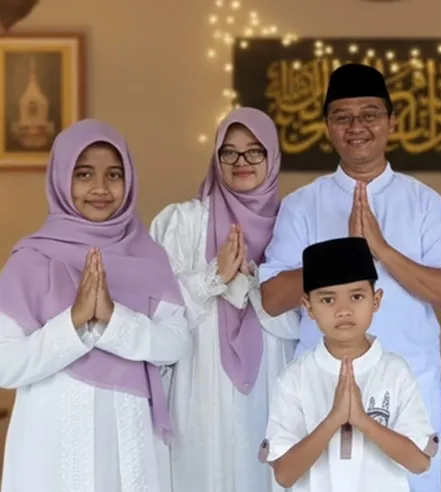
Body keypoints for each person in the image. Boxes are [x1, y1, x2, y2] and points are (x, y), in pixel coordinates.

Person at [258, 63, 441, 491]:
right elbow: (273, 298)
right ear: (327, 126)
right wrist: (344, 254)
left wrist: (381, 250)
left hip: (407, 389)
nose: (357, 127)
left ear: (391, 122)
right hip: (320, 388)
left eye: (369, 114)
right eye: (343, 116)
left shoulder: (423, 203)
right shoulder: (302, 204)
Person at [0, 120, 190, 492]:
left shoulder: (149, 258)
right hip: (51, 444)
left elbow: (175, 344)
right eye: (84, 174)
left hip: (130, 438)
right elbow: (4, 364)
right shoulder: (29, 260)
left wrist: (112, 318)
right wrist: (73, 322)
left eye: (114, 175)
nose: (100, 188)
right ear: (61, 179)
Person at [149, 108, 298, 492]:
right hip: (200, 379)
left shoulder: (292, 223)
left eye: (254, 151)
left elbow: (309, 316)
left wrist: (254, 284)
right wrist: (213, 277)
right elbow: (155, 310)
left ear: (272, 156)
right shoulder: (184, 222)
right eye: (228, 152)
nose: (240, 161)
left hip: (274, 378)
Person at [260, 236, 438, 491]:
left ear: (376, 300)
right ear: (308, 307)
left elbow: (420, 463)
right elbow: (284, 475)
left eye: (356, 296)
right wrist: (333, 420)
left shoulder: (395, 372)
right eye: (328, 300)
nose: (343, 310)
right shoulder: (294, 378)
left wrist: (363, 421)